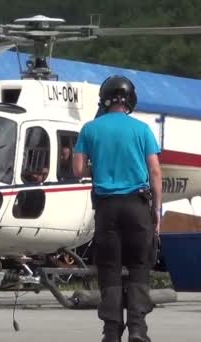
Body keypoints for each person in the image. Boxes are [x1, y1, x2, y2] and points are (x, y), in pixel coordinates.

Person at [72, 75, 162, 342]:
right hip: (137, 207)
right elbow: (155, 172)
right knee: (138, 266)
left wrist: (98, 164)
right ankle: (137, 329)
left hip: (106, 208)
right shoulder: (142, 129)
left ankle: (111, 332)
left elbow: (78, 170)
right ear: (130, 100)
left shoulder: (90, 129)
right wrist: (156, 211)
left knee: (109, 269)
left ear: (105, 99)